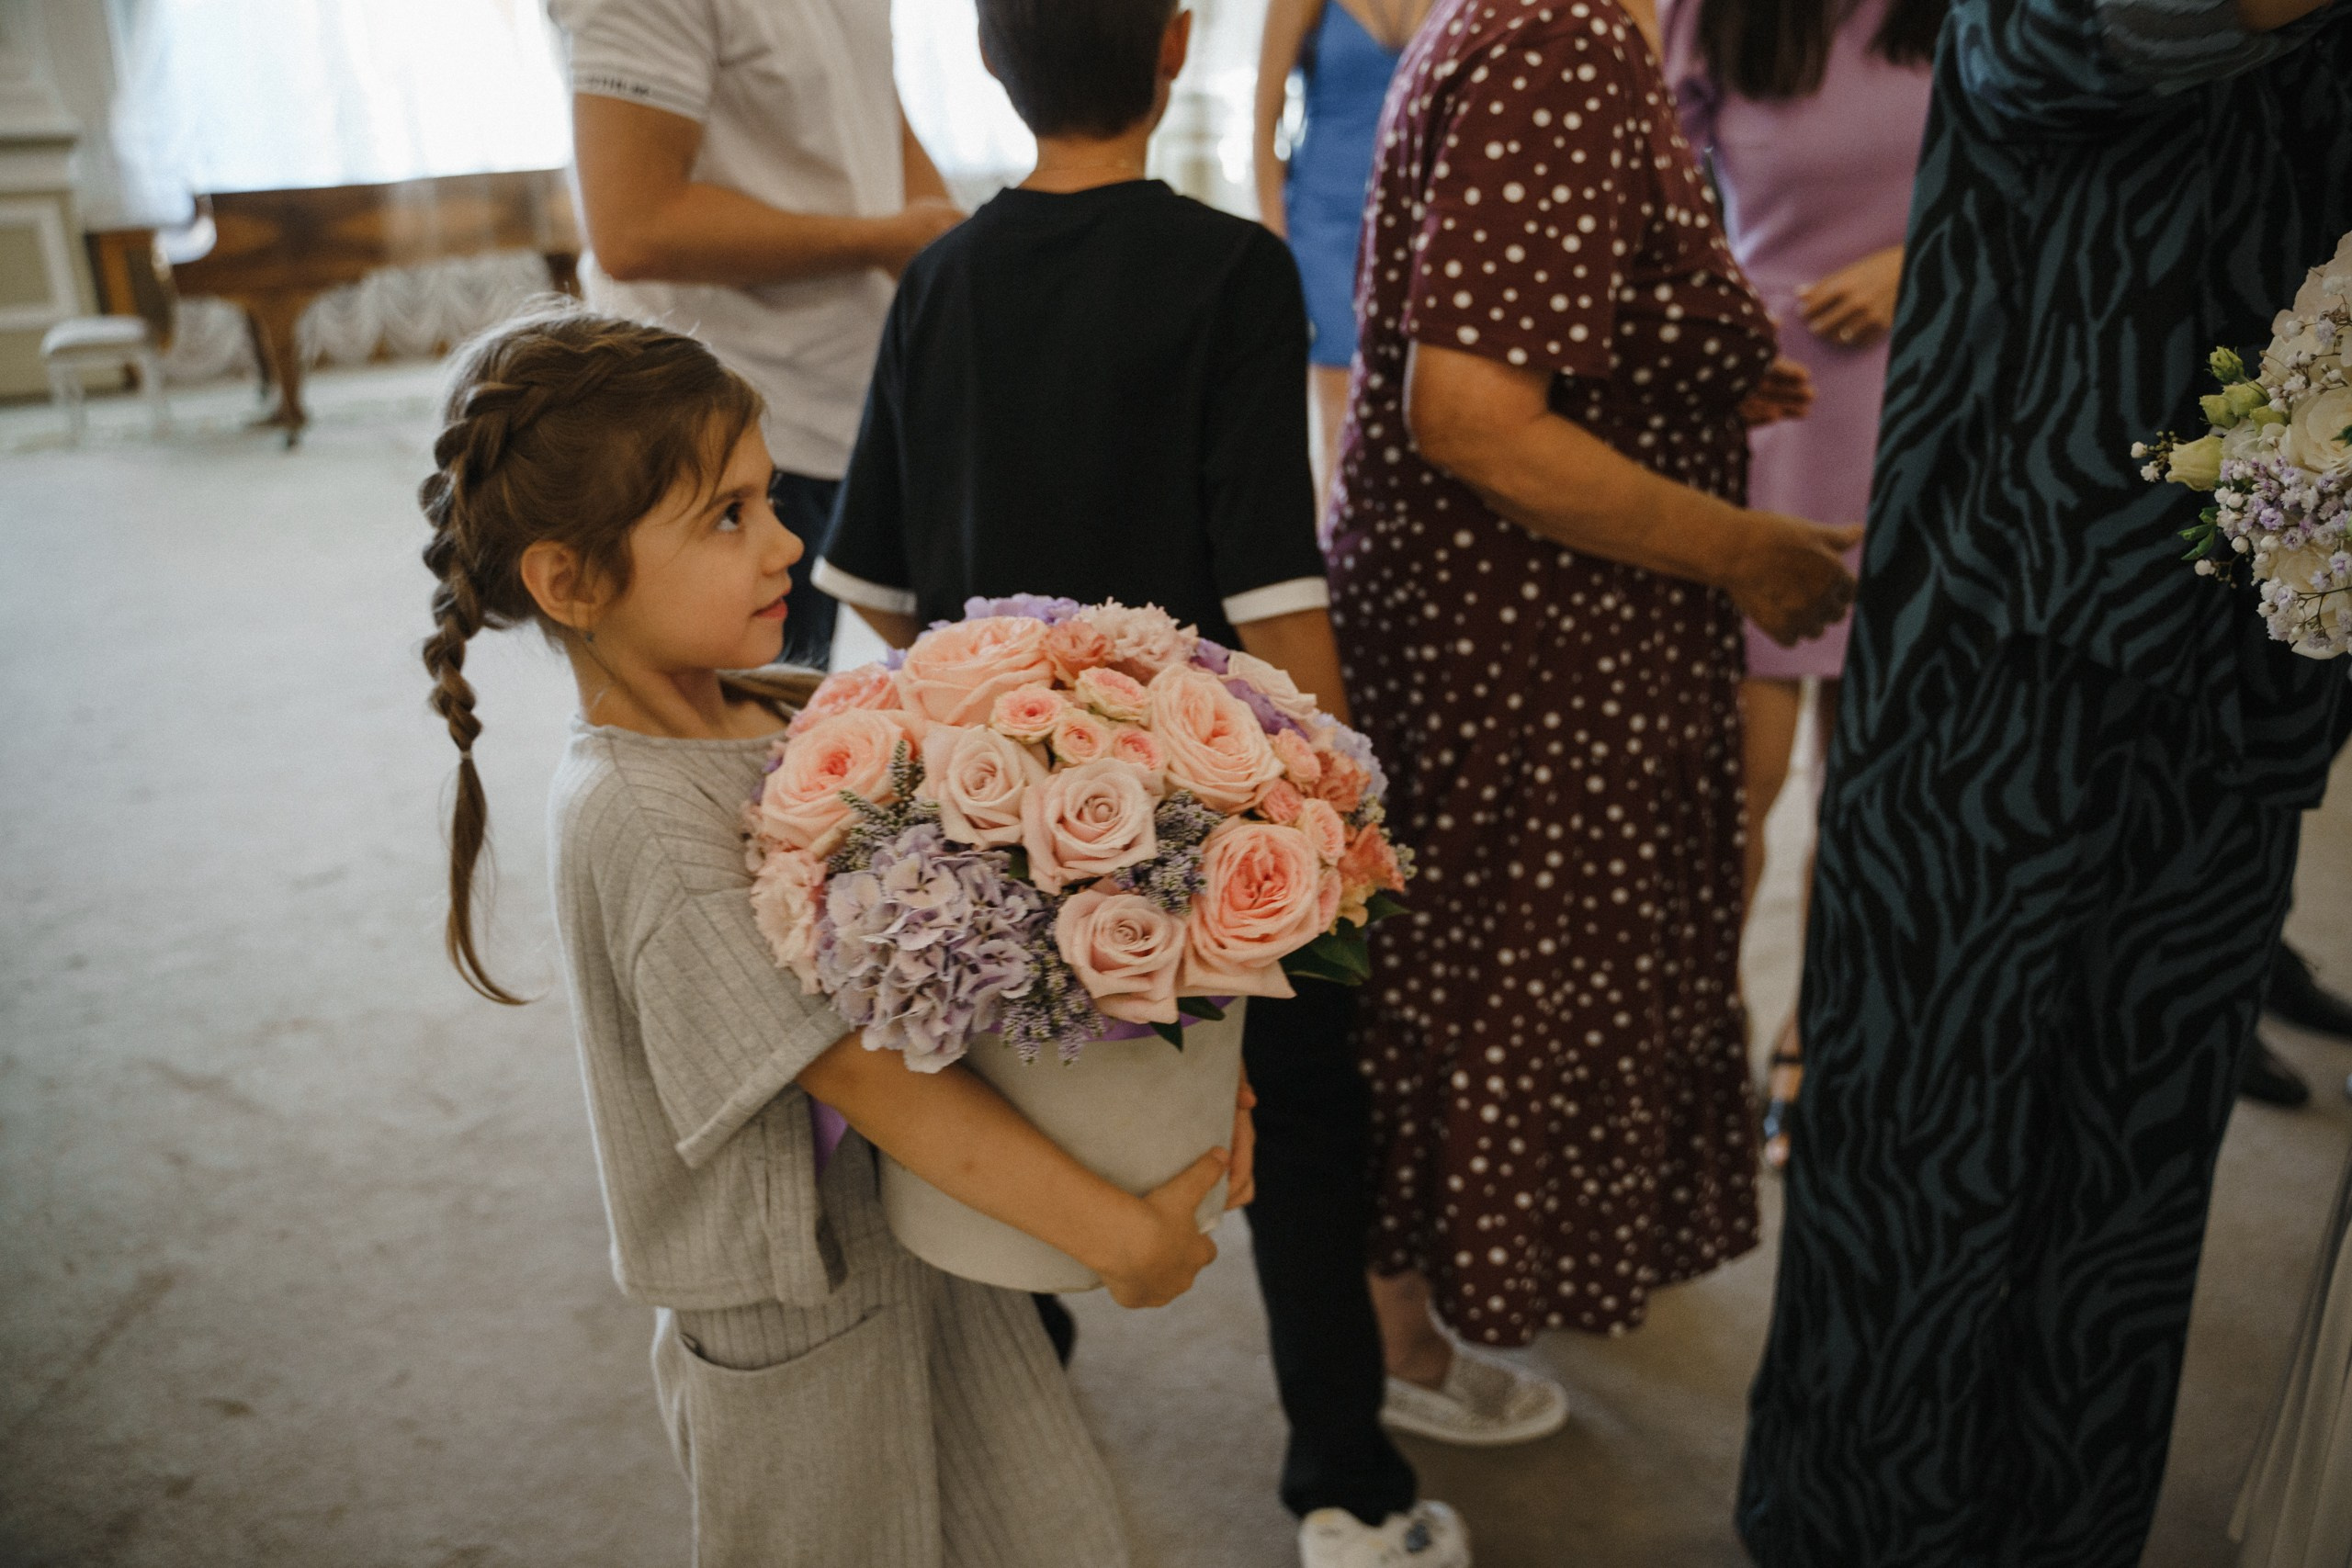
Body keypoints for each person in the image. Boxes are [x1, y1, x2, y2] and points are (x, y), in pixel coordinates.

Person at [811, 3, 1510, 1562]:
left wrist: (1014, 712)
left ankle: (1016, 1402)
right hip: (1218, 813)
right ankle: (1343, 1485)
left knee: (1013, 1078)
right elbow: (1273, 587)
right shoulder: (1233, 272)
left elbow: (872, 574)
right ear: (1180, 45)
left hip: (996, 813)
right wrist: (1331, 812)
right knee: (1310, 1118)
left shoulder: (939, 277)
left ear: (988, 60)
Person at [415, 308, 1250, 1567]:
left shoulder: (775, 708)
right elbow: (857, 1073)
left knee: (1032, 1522)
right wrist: (1116, 1232)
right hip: (792, 1307)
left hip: (921, 1234)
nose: (788, 541)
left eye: (766, 499)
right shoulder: (635, 816)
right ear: (568, 579)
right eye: (728, 516)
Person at [1735, 0, 2352, 1560]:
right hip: (1997, 638)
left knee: (2132, 1173)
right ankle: (1853, 1528)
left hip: (2249, 647)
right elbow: (2042, 50)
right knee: (1925, 1136)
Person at [1326, 0, 1857, 1384]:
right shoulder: (1557, 42)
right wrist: (1751, 552)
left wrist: (1693, 375)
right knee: (1496, 983)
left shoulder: (1533, 28)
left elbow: (1521, 323)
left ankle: (1426, 1311)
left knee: (1482, 973)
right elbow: (1474, 415)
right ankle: (1403, 1348)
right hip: (1528, 642)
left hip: (1530, 632)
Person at [1659, 0, 1939, 1169]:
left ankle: (1813, 1038)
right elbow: (1653, 214)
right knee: (1733, 796)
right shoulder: (1706, 15)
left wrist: (1916, 256)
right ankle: (1691, 1051)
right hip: (1767, 421)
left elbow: (2036, 189)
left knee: (1869, 792)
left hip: (1930, 415)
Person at [552, 0, 966, 668]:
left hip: (851, 388)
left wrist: (952, 261)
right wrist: (878, 241)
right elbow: (633, 226)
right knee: (739, 740)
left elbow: (872, 115)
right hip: (721, 415)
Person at [1252, 0, 1433, 510]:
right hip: (1327, 225)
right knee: (1343, 424)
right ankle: (1338, 574)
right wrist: (1276, 242)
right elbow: (1264, 120)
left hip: (1428, 224)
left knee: (1423, 415)